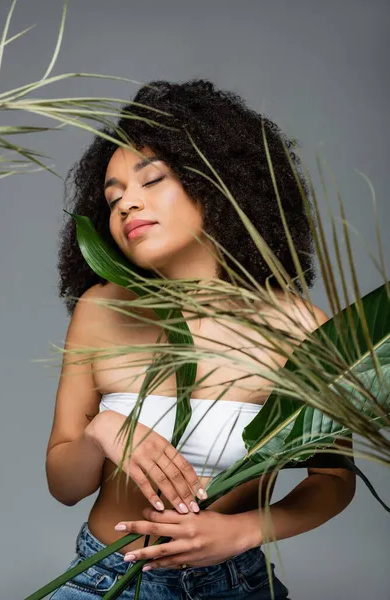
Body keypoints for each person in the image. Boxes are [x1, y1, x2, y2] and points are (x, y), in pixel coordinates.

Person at [46, 79, 356, 599]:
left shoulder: (300, 329)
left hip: (236, 585)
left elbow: (334, 480)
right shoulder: (100, 310)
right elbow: (65, 485)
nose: (126, 206)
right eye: (114, 195)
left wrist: (241, 531)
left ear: (216, 183)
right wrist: (102, 428)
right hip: (101, 584)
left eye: (152, 181)